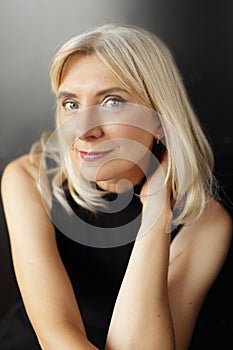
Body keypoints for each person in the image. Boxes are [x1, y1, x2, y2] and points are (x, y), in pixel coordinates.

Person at [0, 23, 232, 350]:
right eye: (70, 104)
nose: (84, 130)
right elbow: (55, 338)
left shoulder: (205, 222)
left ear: (160, 117)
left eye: (112, 102)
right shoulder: (28, 177)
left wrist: (156, 208)